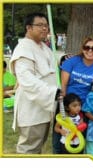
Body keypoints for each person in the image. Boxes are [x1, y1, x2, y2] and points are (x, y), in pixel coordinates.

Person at [9, 12, 60, 154]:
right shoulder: (24, 48)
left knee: (37, 147)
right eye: (40, 25)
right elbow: (27, 80)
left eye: (46, 25)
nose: (45, 28)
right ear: (28, 28)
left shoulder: (44, 47)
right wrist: (52, 93)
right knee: (29, 149)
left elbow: (50, 71)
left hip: (44, 108)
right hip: (32, 109)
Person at [52, 36, 93, 154]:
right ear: (82, 49)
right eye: (87, 47)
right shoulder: (72, 61)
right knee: (59, 134)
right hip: (66, 103)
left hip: (82, 106)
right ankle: (57, 157)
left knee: (78, 135)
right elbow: (64, 85)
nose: (90, 50)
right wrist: (64, 104)